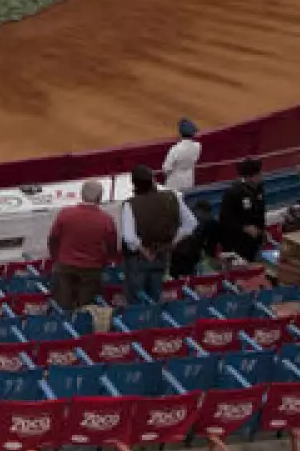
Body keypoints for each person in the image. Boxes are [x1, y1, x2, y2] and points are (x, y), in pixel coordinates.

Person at [119, 165, 195, 303]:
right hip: (162, 256)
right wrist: (171, 244)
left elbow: (129, 238)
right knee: (155, 296)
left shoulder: (130, 204)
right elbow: (191, 224)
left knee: (136, 301)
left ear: (134, 184)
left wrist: (144, 251)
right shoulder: (172, 197)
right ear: (153, 180)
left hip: (138, 259)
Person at [47, 179, 117, 309]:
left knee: (62, 305)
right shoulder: (106, 220)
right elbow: (112, 247)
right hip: (92, 269)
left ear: (81, 194)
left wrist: (56, 258)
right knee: (85, 308)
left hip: (65, 266)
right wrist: (106, 261)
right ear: (100, 198)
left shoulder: (65, 214)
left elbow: (53, 238)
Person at [217, 158, 268, 261]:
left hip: (254, 244)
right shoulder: (233, 193)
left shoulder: (259, 189)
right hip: (236, 246)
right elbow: (225, 219)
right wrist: (244, 228)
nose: (262, 175)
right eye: (259, 174)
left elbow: (260, 213)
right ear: (249, 176)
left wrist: (262, 232)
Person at [161, 118, 201, 194]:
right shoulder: (198, 146)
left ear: (180, 133)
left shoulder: (175, 149)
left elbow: (166, 169)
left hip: (174, 182)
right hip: (189, 179)